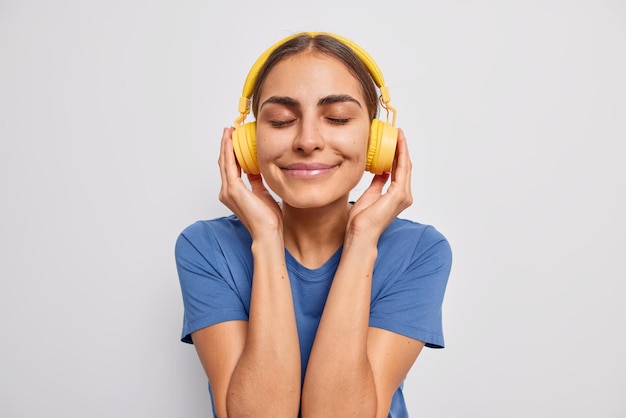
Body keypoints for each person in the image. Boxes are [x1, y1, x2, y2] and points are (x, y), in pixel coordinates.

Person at [175, 31, 452, 418]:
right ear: (249, 144)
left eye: (337, 118)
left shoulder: (420, 251)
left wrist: (362, 241)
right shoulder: (205, 247)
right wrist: (267, 239)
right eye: (281, 120)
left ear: (377, 140)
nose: (307, 140)